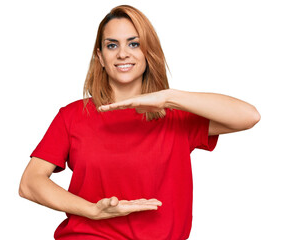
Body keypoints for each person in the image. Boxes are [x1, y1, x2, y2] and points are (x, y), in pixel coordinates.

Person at [19, 4, 261, 240]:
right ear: (100, 57)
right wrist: (92, 210)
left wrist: (169, 96)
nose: (122, 53)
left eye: (134, 44)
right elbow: (30, 183)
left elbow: (248, 116)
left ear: (148, 52)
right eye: (112, 45)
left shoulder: (175, 115)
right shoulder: (72, 116)